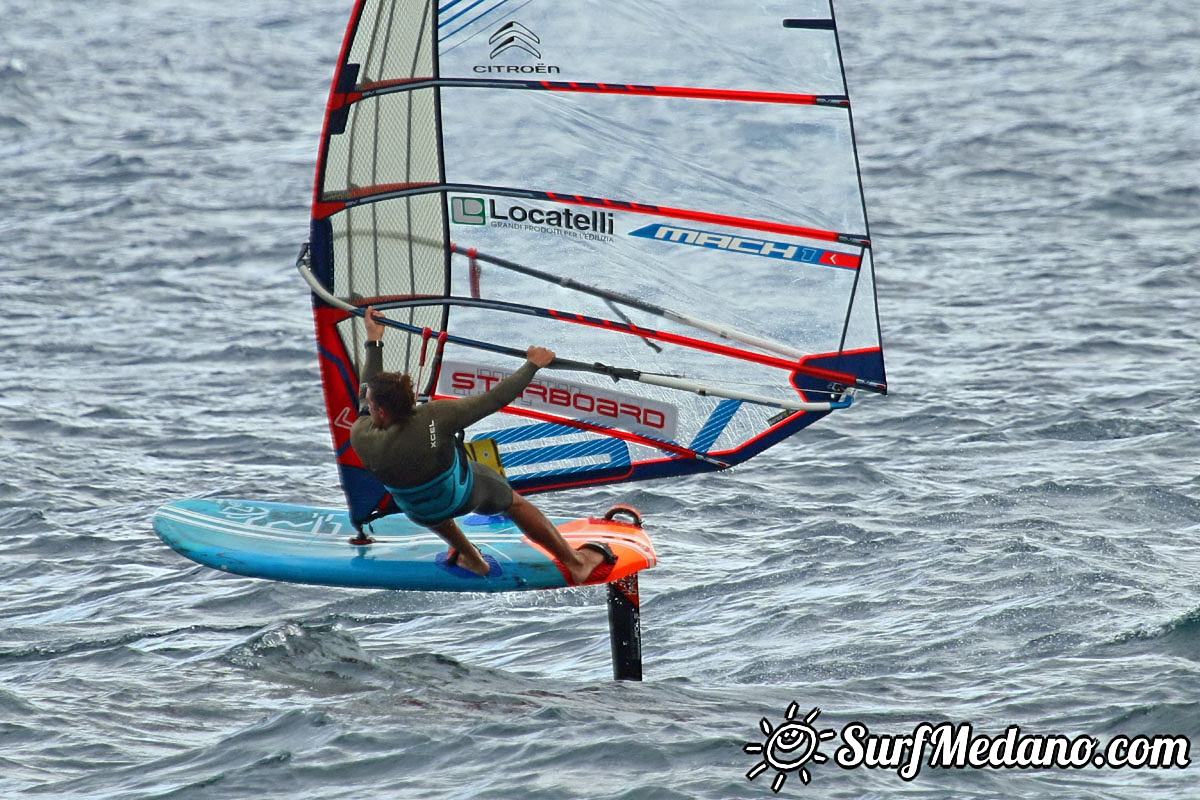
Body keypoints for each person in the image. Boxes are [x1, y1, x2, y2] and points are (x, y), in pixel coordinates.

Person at [349, 306, 615, 584]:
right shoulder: (435, 416)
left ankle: (473, 559)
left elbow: (365, 392)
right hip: (462, 495)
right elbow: (494, 400)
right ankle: (576, 563)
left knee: (425, 498)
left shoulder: (361, 434)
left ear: (379, 411)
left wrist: (374, 340)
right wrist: (532, 365)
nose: (368, 403)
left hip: (419, 511)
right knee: (514, 503)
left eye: (370, 402)